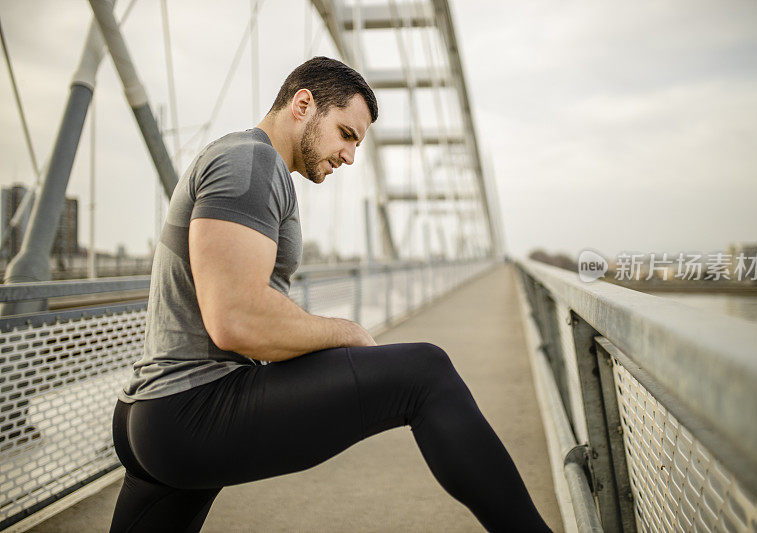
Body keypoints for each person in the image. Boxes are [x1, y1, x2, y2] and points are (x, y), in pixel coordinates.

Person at [110, 56, 551, 533]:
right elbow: (235, 318)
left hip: (153, 412)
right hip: (192, 409)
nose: (350, 156)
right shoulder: (251, 160)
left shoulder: (249, 161)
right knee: (425, 373)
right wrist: (347, 333)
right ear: (303, 105)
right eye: (346, 134)